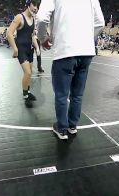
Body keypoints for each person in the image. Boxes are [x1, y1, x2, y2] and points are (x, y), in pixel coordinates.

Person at [37, 0, 105, 140]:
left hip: (65, 51)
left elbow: (42, 17)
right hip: (86, 52)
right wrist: (85, 39)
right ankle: (72, 126)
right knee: (77, 94)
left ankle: (62, 129)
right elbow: (100, 23)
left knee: (62, 95)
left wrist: (43, 38)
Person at [7, 0, 41, 108]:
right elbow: (9, 33)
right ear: (28, 4)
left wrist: (37, 47)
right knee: (28, 73)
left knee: (29, 73)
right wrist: (15, 49)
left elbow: (32, 36)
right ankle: (25, 97)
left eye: (37, 6)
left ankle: (28, 92)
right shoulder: (19, 17)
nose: (36, 8)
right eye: (34, 5)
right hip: (21, 49)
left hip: (29, 49)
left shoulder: (33, 19)